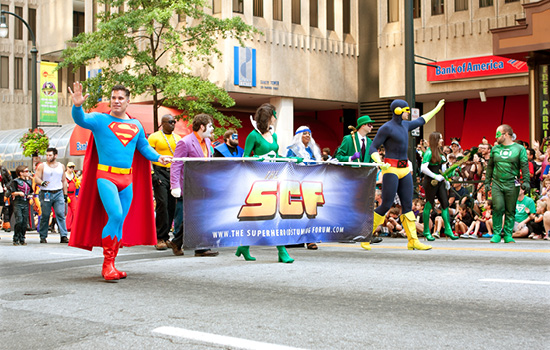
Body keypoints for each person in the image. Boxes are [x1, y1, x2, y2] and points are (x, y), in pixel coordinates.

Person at [68, 82, 171, 281]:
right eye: (113, 98)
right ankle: (107, 265)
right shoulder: (100, 120)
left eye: (120, 98)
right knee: (115, 214)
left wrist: (159, 158)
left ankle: (112, 263)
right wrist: (77, 105)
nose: (116, 101)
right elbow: (80, 119)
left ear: (128, 101)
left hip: (127, 179)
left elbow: (144, 148)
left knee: (120, 221)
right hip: (106, 177)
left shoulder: (137, 125)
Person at [366, 99, 445, 251]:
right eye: (406, 110)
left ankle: (413, 241)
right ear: (397, 110)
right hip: (391, 169)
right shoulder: (386, 128)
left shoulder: (406, 125)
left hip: (404, 169)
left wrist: (436, 109)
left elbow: (423, 120)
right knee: (386, 205)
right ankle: (366, 235)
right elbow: (373, 147)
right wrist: (379, 162)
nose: (408, 112)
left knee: (408, 206)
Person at [235, 103, 295, 263]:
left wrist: (291, 158)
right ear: (268, 117)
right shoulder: (253, 135)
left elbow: (276, 155)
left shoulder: (273, 135)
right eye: (274, 114)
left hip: (274, 178)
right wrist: (258, 158)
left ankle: (245, 245)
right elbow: (245, 157)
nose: (276, 117)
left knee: (274, 214)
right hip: (257, 179)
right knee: (261, 215)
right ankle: (280, 251)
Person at [170, 113, 219, 257]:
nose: (212, 129)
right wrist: (175, 186)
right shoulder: (185, 142)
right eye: (210, 126)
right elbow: (176, 164)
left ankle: (178, 242)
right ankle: (200, 248)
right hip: (189, 185)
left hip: (204, 184)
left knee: (198, 216)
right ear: (202, 126)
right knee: (196, 216)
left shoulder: (208, 142)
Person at [485, 124, 530, 243]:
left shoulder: (520, 149)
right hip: (497, 183)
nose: (495, 137)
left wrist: (526, 181)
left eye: (498, 134)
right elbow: (490, 167)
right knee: (498, 207)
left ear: (505, 134)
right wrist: (487, 181)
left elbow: (524, 165)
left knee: (510, 209)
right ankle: (496, 233)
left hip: (512, 183)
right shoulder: (495, 149)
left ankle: (508, 234)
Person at [148, 114, 181, 250]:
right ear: (163, 123)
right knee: (162, 203)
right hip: (159, 171)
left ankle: (166, 236)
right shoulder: (154, 137)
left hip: (173, 172)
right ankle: (159, 237)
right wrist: (152, 174)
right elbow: (147, 155)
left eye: (174, 122)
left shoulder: (178, 138)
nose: (173, 124)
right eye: (171, 122)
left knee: (172, 205)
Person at [420, 132, 458, 241]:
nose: (442, 140)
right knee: (429, 204)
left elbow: (443, 168)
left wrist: (446, 180)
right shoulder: (429, 152)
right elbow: (423, 168)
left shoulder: (441, 152)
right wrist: (435, 176)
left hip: (440, 181)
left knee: (445, 203)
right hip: (430, 182)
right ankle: (426, 231)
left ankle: (448, 229)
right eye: (440, 138)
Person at [34, 147, 69, 244]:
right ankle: (43, 236)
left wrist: (65, 194)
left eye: (50, 155)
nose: (48, 157)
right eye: (47, 155)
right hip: (46, 193)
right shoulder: (42, 166)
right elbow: (36, 178)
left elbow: (64, 180)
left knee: (60, 214)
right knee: (45, 215)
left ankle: (63, 235)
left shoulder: (61, 166)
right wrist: (42, 182)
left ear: (55, 155)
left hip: (58, 192)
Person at [6, 166, 33, 245]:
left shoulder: (29, 181)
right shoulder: (15, 181)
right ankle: (16, 238)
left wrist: (29, 195)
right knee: (19, 220)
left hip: (25, 202)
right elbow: (11, 192)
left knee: (24, 222)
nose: (28, 173)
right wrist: (18, 193)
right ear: (21, 173)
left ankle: (22, 238)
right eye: (26, 171)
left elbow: (31, 191)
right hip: (18, 202)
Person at [65, 161, 80, 232]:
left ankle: (75, 226)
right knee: (68, 212)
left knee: (75, 210)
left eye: (73, 167)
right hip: (67, 195)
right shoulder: (65, 175)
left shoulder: (74, 175)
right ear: (67, 167)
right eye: (70, 167)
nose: (72, 169)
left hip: (73, 195)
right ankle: (68, 226)